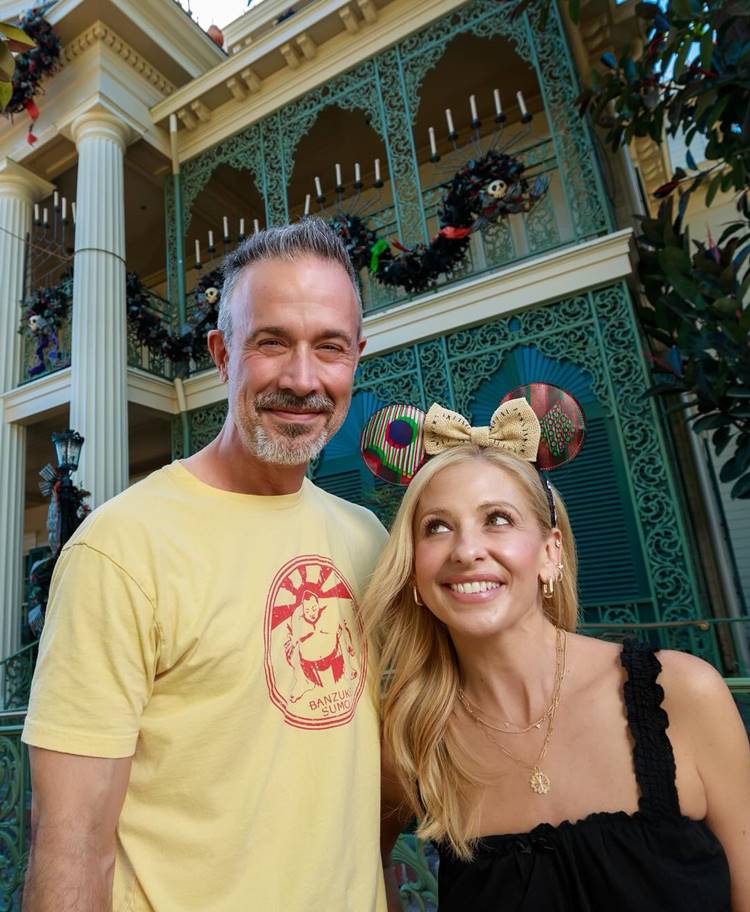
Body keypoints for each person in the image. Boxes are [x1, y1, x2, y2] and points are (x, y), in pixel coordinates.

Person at [22, 219, 389, 912]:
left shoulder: (368, 540)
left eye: (330, 348)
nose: (303, 379)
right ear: (222, 354)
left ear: (357, 359)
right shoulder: (122, 549)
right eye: (272, 342)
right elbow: (71, 849)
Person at [367, 403, 750, 912]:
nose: (466, 550)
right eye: (437, 527)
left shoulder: (682, 692)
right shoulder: (414, 738)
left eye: (497, 519)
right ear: (414, 570)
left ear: (551, 553)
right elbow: (364, 860)